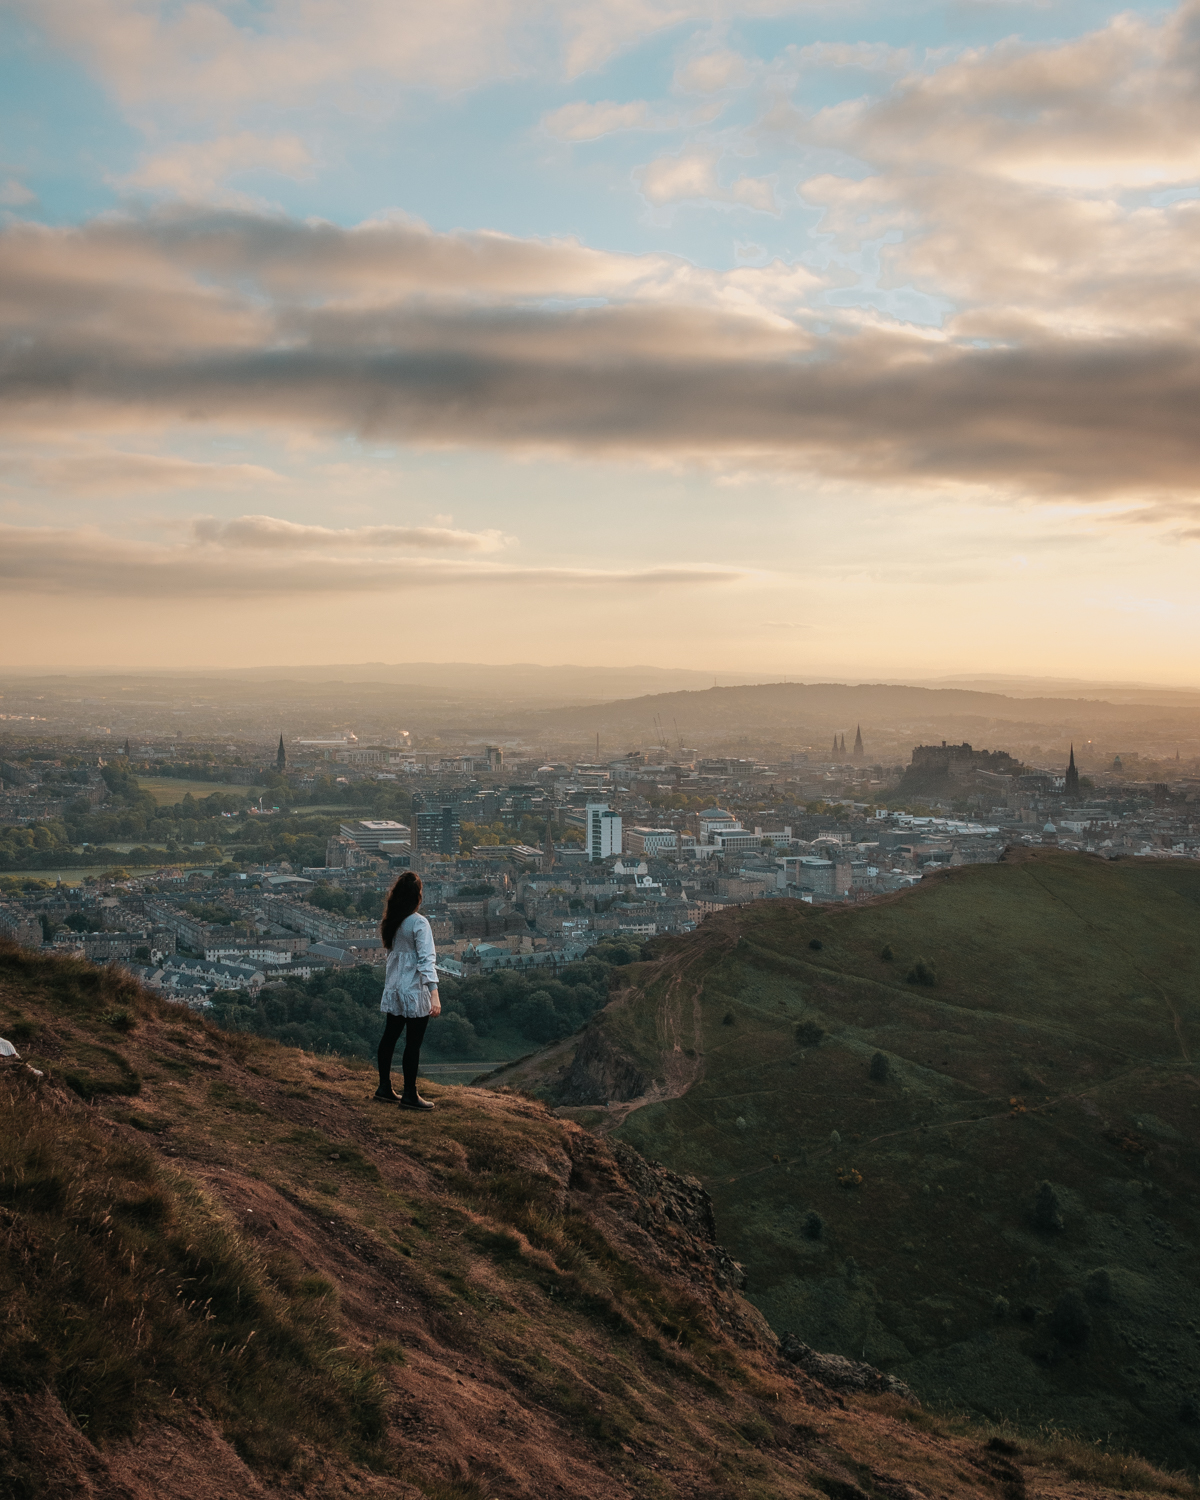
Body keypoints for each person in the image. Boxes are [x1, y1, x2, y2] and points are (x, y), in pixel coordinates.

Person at [375, 870, 440, 1109]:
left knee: (389, 1037)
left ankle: (384, 1087)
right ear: (417, 896)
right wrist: (434, 993)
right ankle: (410, 1095)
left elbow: (394, 957)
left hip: (394, 987)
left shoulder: (392, 921)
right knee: (413, 1043)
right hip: (414, 989)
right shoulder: (419, 923)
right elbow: (426, 960)